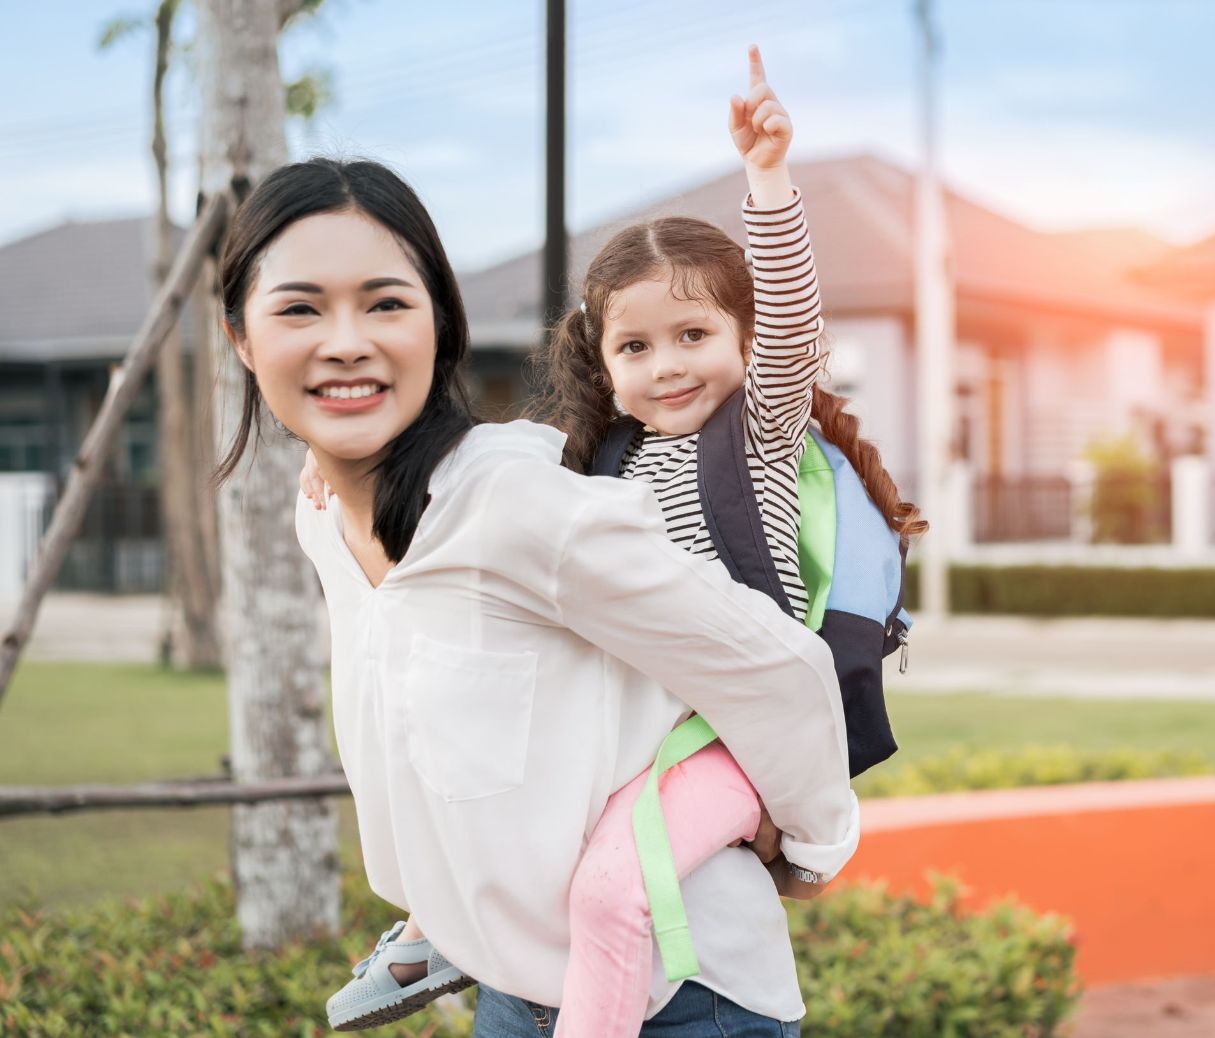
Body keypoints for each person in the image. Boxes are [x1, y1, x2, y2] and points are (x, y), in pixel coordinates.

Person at [298, 46, 923, 1037]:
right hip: (624, 730)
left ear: (744, 346)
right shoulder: (592, 465)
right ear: (601, 358)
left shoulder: (755, 440)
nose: (666, 367)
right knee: (504, 833)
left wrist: (766, 174)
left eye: (692, 336)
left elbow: (796, 327)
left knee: (606, 893)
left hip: (723, 735)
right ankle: (439, 928)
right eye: (634, 346)